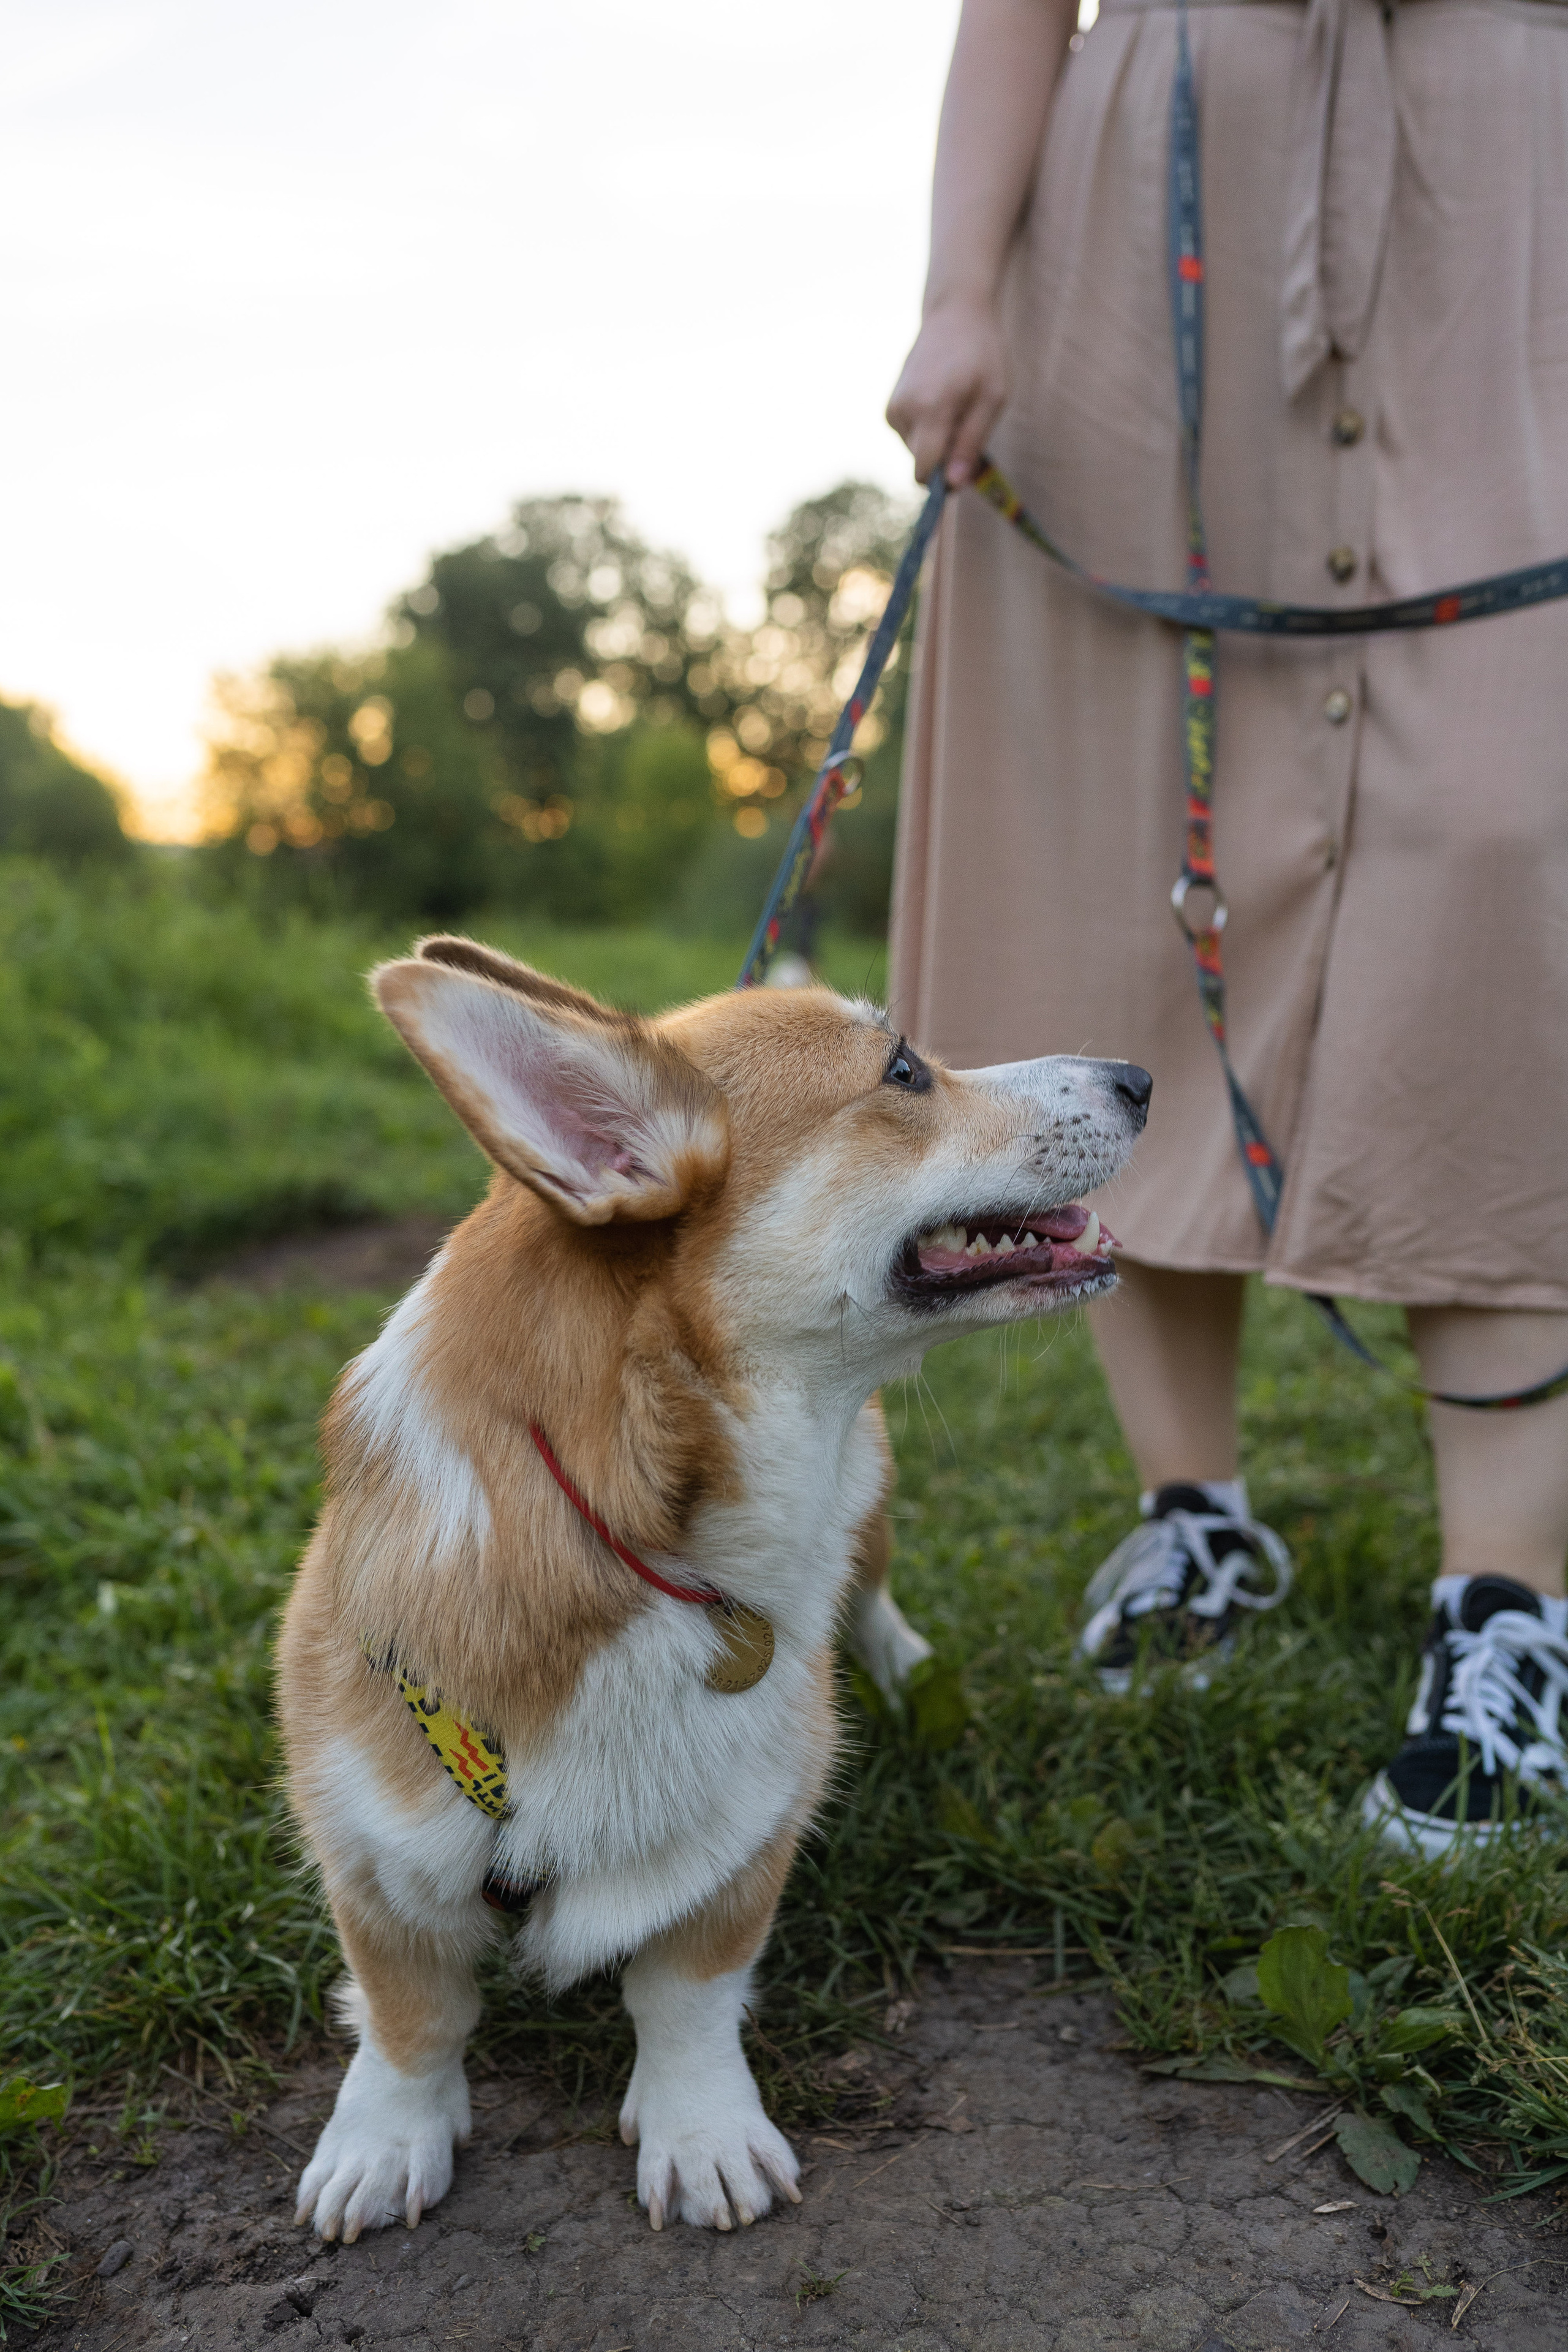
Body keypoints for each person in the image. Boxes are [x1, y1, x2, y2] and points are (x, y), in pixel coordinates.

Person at [885, 0, 1568, 1852]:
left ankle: (1510, 1607)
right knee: (1111, 887)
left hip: (1520, 210)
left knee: (1511, 873)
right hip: (1139, 240)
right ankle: (1194, 1511)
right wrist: (965, 289)